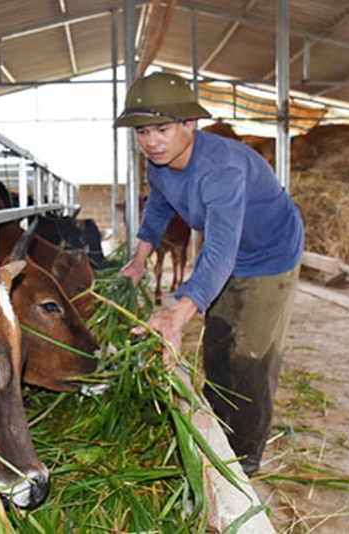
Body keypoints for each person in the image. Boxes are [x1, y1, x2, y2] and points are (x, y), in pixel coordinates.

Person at [116, 72, 304, 476]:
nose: (151, 141)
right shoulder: (159, 165)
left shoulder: (222, 169)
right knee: (218, 345)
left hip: (269, 255)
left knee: (251, 355)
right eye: (142, 131)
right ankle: (217, 425)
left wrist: (177, 314)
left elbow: (219, 249)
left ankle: (246, 456)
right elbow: (159, 209)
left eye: (162, 129)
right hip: (227, 254)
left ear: (190, 124)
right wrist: (138, 260)